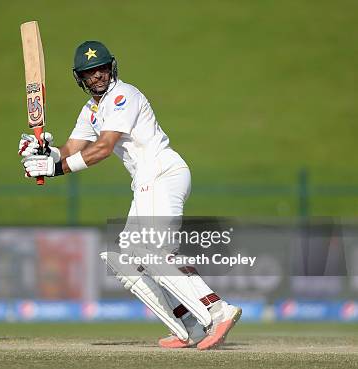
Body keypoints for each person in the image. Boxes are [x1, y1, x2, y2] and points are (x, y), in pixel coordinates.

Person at [19, 41, 241, 350]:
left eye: (101, 68)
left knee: (151, 249)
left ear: (112, 67)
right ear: (80, 78)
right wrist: (42, 153)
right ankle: (188, 326)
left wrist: (54, 170)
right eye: (89, 72)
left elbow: (104, 147)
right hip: (146, 181)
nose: (97, 75)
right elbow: (71, 150)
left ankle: (217, 310)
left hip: (161, 172)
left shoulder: (124, 96)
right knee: (126, 257)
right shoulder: (90, 110)